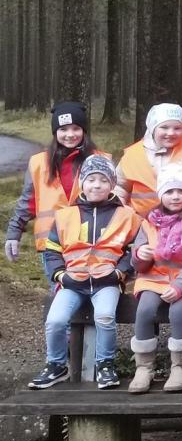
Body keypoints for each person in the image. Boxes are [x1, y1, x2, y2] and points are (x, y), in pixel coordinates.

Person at [28, 156, 136, 390]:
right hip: (72, 282)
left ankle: (105, 365)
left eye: (103, 180)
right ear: (82, 184)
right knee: (55, 320)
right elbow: (52, 250)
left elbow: (133, 251)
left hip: (106, 282)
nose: (96, 185)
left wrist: (119, 273)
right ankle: (57, 365)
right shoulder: (65, 215)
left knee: (105, 317)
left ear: (112, 185)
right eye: (91, 179)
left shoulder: (127, 215)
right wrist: (59, 275)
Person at [128, 164, 182, 394]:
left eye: (180, 191)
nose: (175, 196)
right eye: (169, 192)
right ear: (161, 194)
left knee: (177, 312)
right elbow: (137, 256)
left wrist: (179, 286)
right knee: (145, 310)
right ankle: (144, 367)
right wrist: (140, 255)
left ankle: (180, 366)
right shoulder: (149, 222)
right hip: (153, 277)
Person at [7, 101, 106, 259]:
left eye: (76, 128)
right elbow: (27, 202)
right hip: (51, 246)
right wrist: (14, 233)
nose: (70, 134)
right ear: (55, 132)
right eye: (63, 129)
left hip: (92, 243)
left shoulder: (100, 160)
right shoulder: (39, 163)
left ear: (84, 131)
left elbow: (115, 203)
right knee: (60, 284)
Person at [116, 103, 182, 218]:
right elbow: (120, 187)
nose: (171, 133)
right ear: (153, 128)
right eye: (164, 127)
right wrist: (119, 209)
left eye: (177, 128)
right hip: (142, 223)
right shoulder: (132, 155)